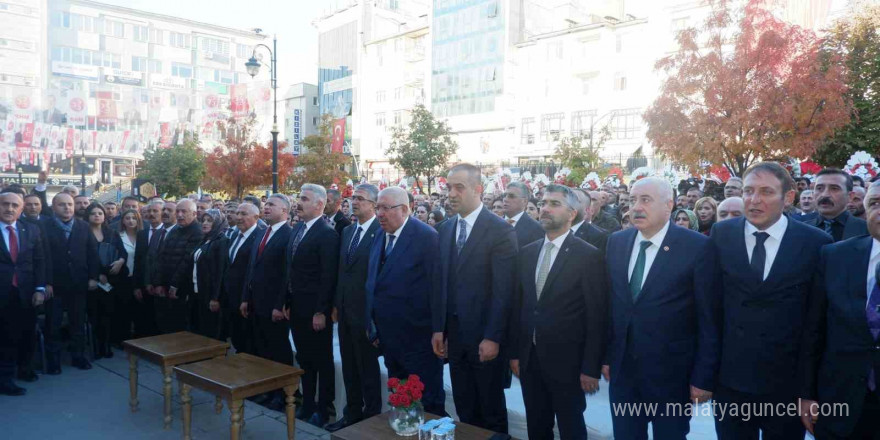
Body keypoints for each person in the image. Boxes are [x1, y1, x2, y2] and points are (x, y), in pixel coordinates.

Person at [711, 162, 833, 439]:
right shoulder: (722, 235)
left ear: (788, 197)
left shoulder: (816, 243)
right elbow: (710, 309)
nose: (754, 200)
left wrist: (808, 391)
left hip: (786, 386)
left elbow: (817, 323)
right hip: (731, 381)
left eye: (766, 192)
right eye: (749, 191)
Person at [604, 177, 720, 440]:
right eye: (633, 200)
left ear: (669, 206)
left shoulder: (697, 247)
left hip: (673, 377)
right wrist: (607, 357)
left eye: (645, 200)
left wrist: (703, 377)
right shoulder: (617, 242)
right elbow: (612, 306)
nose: (636, 207)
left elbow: (708, 318)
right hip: (623, 374)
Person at [508, 184, 607, 440]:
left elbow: (596, 316)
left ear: (572, 213)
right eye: (543, 203)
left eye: (554, 204)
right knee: (537, 426)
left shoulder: (588, 256)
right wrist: (517, 354)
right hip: (530, 362)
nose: (545, 209)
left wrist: (590, 367)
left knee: (571, 427)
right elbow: (521, 308)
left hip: (569, 365)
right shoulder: (528, 253)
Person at [433, 163, 517, 433]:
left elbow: (504, 291)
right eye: (449, 188)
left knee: (490, 410)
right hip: (455, 340)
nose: (452, 194)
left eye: (460, 187)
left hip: (485, 340)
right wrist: (439, 329)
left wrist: (493, 337)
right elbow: (441, 285)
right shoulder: (445, 229)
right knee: (465, 407)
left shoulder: (500, 231)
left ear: (478, 189)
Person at [799, 180, 880, 439]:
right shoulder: (835, 256)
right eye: (874, 204)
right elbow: (814, 330)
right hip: (841, 400)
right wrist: (807, 394)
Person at [366, 187, 445, 415]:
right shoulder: (380, 234)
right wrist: (370, 324)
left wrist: (439, 330)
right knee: (400, 399)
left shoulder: (426, 237)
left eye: (385, 208)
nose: (379, 213)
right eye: (377, 207)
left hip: (418, 340)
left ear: (404, 209)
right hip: (389, 337)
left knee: (426, 401)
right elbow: (373, 281)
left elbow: (437, 288)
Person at [327, 184, 382, 432]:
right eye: (352, 198)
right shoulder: (348, 232)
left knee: (367, 369)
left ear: (374, 204)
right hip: (345, 313)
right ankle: (352, 413)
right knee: (349, 366)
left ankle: (371, 418)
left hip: (366, 315)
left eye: (360, 198)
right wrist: (337, 304)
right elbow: (341, 272)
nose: (354, 202)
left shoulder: (381, 232)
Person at [287, 185, 339, 426]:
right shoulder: (298, 228)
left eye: (305, 199)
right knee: (305, 359)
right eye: (299, 198)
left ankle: (324, 407)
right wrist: (287, 302)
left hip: (315, 312)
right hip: (297, 308)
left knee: (322, 360)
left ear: (320, 204)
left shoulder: (327, 233)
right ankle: (308, 404)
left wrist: (321, 311)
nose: (299, 202)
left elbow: (328, 277)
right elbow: (292, 270)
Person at [240, 194, 294, 411]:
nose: (266, 207)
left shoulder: (289, 235)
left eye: (272, 204)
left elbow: (286, 274)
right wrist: (245, 297)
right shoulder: (263, 233)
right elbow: (251, 268)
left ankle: (282, 394)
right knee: (262, 350)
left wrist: (279, 304)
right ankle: (266, 390)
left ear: (285, 211)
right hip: (255, 303)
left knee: (278, 352)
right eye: (266, 204)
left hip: (274, 306)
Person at [42, 193, 99, 373]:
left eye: (69, 204)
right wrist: (46, 282)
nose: (67, 208)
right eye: (62, 205)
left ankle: (78, 356)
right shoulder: (43, 227)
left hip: (78, 283)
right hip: (55, 285)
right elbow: (41, 257)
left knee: (77, 322)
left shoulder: (83, 226)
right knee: (53, 324)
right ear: (53, 207)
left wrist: (93, 277)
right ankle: (53, 361)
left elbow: (92, 254)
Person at [0, 192, 46, 396]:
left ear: (21, 209)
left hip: (26, 292)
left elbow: (39, 261)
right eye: (5, 204)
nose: (9, 209)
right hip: (3, 293)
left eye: (14, 206)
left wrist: (40, 288)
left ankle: (24, 369)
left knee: (28, 333)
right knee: (5, 337)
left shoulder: (32, 230)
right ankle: (5, 379)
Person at [172, 209, 227, 339]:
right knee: (196, 329)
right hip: (196, 292)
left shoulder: (221, 241)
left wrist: (215, 297)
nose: (205, 223)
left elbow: (220, 272)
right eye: (203, 220)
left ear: (218, 223)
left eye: (209, 221)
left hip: (209, 294)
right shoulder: (204, 240)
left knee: (210, 331)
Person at [153, 200, 202, 334]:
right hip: (166, 286)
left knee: (179, 326)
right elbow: (161, 257)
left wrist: (175, 285)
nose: (179, 215)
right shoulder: (175, 229)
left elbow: (187, 261)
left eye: (184, 212)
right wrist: (158, 283)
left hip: (182, 289)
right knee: (165, 324)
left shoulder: (198, 232)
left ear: (194, 213)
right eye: (178, 211)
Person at [86, 202, 127, 359]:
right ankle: (96, 348)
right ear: (88, 216)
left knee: (107, 315)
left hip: (110, 280)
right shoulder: (83, 233)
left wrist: (121, 261)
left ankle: (106, 345)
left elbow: (122, 252)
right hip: (93, 281)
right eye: (93, 213)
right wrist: (96, 275)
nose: (97, 216)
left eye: (100, 213)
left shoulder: (112, 233)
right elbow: (84, 258)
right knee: (94, 315)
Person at [224, 203, 263, 354]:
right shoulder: (234, 235)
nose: (238, 217)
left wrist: (246, 298)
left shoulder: (259, 237)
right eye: (237, 213)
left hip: (247, 299)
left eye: (243, 214)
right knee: (237, 337)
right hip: (231, 297)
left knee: (248, 340)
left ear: (256, 217)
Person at [804, 168, 868, 242]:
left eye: (834, 189)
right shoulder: (800, 230)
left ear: (850, 196)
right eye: (819, 188)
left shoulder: (867, 230)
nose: (825, 194)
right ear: (813, 194)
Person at [113, 208, 141, 346]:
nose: (131, 221)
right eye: (127, 218)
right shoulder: (117, 236)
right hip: (124, 278)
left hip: (139, 278)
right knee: (123, 311)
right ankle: (122, 340)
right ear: (122, 221)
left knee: (138, 311)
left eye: (134, 218)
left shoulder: (143, 235)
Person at [503, 182, 544, 249]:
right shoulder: (493, 224)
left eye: (511, 196)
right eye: (504, 195)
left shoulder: (536, 228)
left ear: (524, 201)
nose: (505, 199)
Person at [570, 189, 610, 256]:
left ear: (587, 210)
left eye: (576, 201)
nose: (570, 205)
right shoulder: (554, 228)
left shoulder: (599, 236)